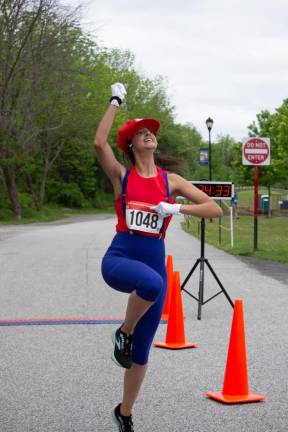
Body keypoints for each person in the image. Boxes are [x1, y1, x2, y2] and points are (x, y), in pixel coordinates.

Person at [94, 82, 223, 432]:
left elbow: (214, 209)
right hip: (120, 258)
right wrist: (115, 101)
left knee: (142, 354)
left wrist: (177, 208)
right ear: (131, 144)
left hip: (153, 267)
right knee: (150, 283)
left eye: (151, 131)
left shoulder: (172, 180)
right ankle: (123, 331)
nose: (148, 134)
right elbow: (98, 143)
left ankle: (124, 413)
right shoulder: (123, 175)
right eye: (140, 132)